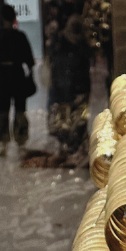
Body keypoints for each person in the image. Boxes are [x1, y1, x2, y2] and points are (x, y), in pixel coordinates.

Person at [0, 4, 35, 157]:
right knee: (20, 109)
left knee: (2, 109)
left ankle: (3, 142)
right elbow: (29, 60)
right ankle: (21, 141)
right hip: (17, 75)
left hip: (2, 76)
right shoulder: (20, 36)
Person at [48, 14, 91, 156]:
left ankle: (75, 145)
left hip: (75, 86)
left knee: (78, 118)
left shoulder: (80, 41)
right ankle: (68, 145)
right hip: (66, 86)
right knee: (65, 119)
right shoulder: (63, 39)